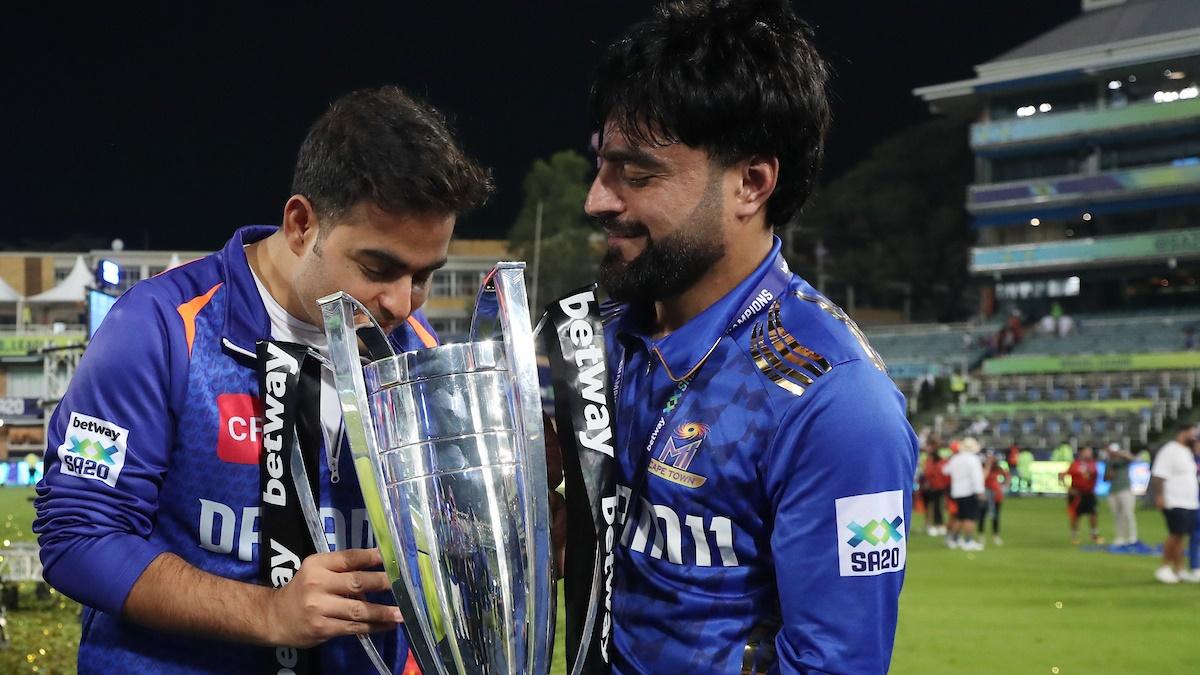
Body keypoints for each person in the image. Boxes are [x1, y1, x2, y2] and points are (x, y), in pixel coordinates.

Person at [32, 86, 493, 672]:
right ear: (301, 224)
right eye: (379, 268)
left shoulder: (415, 351)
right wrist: (269, 613)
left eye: (426, 275)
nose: (403, 303)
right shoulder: (156, 329)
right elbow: (78, 538)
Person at [585, 2, 918, 672]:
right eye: (601, 165)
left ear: (751, 183)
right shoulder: (608, 335)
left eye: (637, 173)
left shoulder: (838, 402)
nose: (597, 199)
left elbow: (835, 664)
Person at [1150, 425, 1199, 583]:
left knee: (1181, 535)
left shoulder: (1187, 452)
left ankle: (1179, 569)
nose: (1193, 437)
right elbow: (1159, 475)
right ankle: (1164, 567)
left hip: (1189, 501)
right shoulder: (1170, 450)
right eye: (1191, 433)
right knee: (1175, 534)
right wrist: (1159, 496)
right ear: (1182, 433)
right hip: (1174, 499)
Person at [942, 438, 985, 551]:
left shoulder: (956, 458)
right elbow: (976, 477)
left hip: (957, 492)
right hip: (969, 491)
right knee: (969, 518)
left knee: (959, 517)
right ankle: (968, 541)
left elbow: (945, 471)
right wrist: (980, 491)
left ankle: (953, 539)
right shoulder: (973, 460)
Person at [1059, 446, 1103, 545]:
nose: (1089, 453)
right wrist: (1068, 489)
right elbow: (1061, 476)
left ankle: (1094, 535)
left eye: (1090, 452)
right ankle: (1075, 536)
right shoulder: (1074, 465)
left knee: (1093, 514)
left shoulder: (1093, 464)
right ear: (1081, 453)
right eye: (1087, 451)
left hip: (1089, 493)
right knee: (1075, 516)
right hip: (1077, 494)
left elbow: (1095, 478)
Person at [1103, 442, 1138, 547]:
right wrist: (1110, 474)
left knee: (1128, 513)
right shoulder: (1109, 463)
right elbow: (1106, 478)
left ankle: (1132, 537)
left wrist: (1121, 453)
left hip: (1125, 489)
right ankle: (1120, 537)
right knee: (1117, 515)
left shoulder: (1123, 460)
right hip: (1113, 491)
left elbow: (1132, 459)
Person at [979, 452, 1009, 545]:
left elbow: (1007, 476)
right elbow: (982, 478)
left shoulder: (998, 469)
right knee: (982, 516)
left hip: (996, 495)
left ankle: (995, 536)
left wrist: (1004, 486)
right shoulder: (982, 469)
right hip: (984, 495)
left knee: (996, 516)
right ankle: (981, 536)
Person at [923, 444, 950, 536]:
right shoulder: (942, 462)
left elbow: (927, 473)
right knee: (938, 507)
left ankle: (932, 525)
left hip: (933, 487)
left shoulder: (930, 462)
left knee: (932, 507)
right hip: (940, 487)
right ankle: (939, 525)